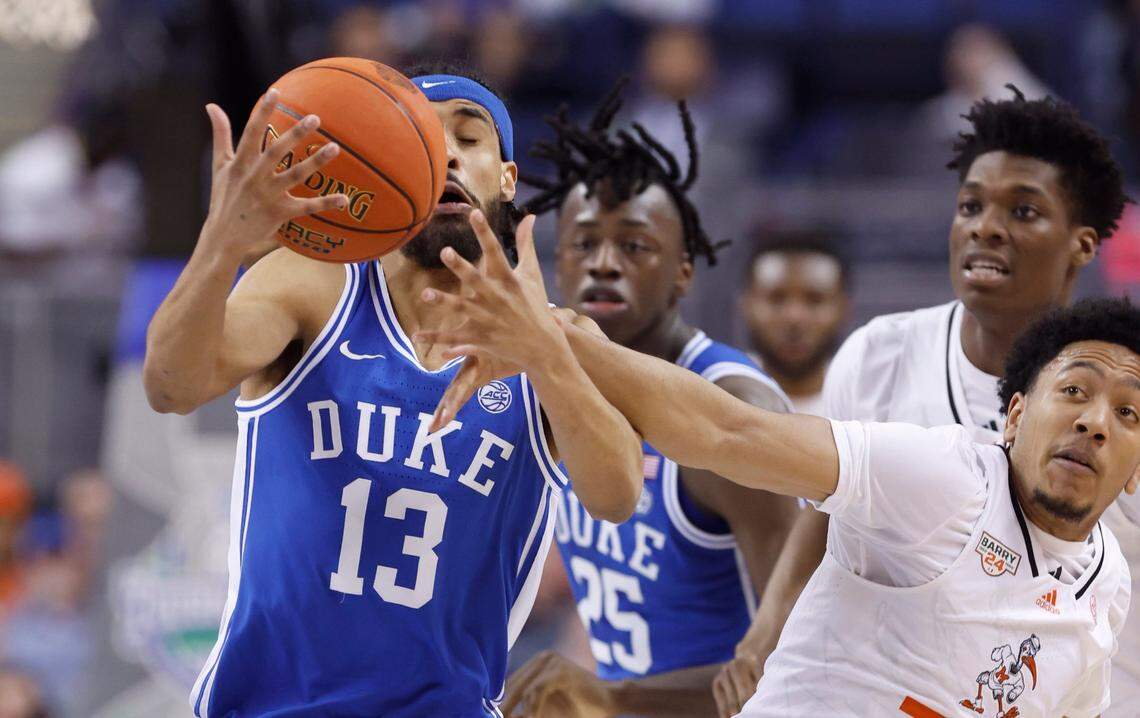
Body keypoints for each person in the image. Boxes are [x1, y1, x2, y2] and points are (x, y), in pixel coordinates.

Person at [414, 209, 1138, 718]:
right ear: (1012, 416)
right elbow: (723, 432)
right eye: (1073, 391)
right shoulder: (943, 476)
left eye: (1128, 413)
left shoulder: (1107, 583)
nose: (1094, 423)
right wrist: (559, 343)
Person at [142, 63, 642, 717]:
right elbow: (171, 387)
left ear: (507, 178)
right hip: (268, 705)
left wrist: (549, 359)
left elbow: (618, 495)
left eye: (469, 139)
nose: (449, 157)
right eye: (426, 143)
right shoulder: (312, 284)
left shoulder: (554, 339)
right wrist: (223, 245)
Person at [710, 85, 1136, 716]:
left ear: (1082, 243)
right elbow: (830, 512)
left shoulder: (1122, 413)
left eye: (1023, 212)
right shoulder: (878, 354)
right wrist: (766, 627)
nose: (986, 228)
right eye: (970, 206)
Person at [501, 85, 797, 716]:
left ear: (684, 270)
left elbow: (799, 660)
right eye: (584, 244)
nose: (603, 265)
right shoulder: (553, 385)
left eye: (634, 245)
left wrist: (615, 696)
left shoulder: (733, 409)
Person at [738, 229, 851, 416]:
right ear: (747, 305)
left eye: (814, 300)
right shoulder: (711, 395)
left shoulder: (871, 408)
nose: (794, 317)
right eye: (776, 299)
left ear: (843, 308)